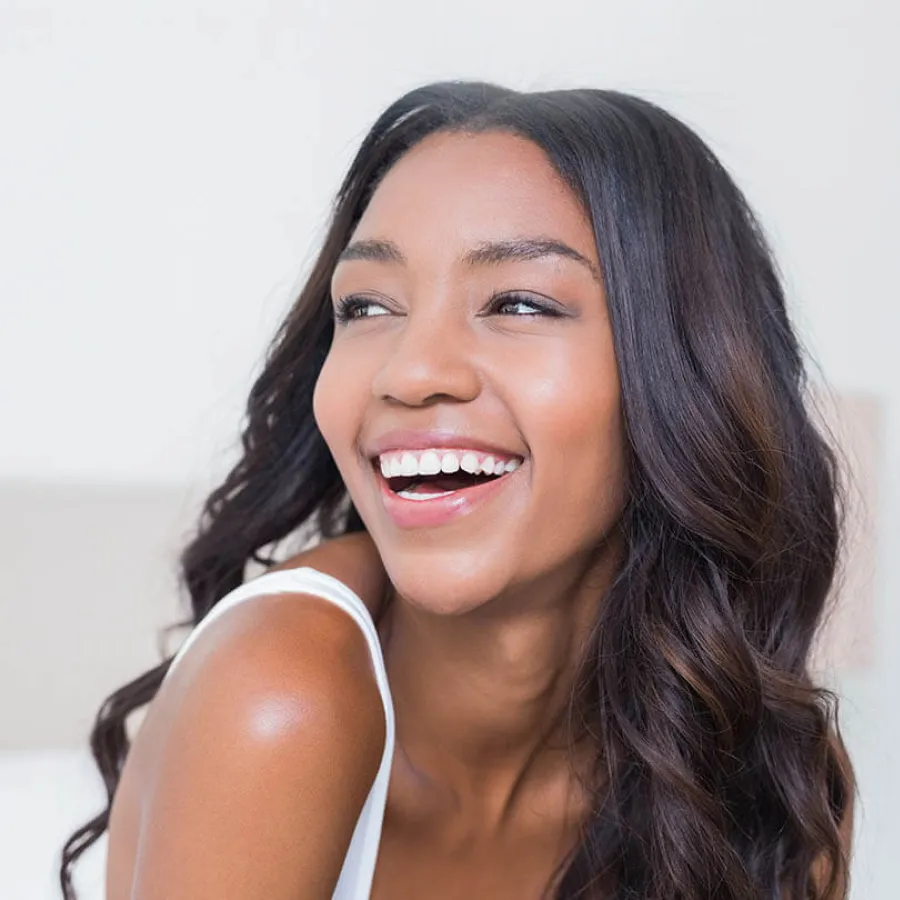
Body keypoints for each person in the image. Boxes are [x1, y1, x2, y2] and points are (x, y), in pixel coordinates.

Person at [61, 81, 855, 899]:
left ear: (687, 372)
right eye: (366, 306)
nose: (409, 373)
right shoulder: (280, 696)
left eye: (519, 303)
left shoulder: (765, 775)